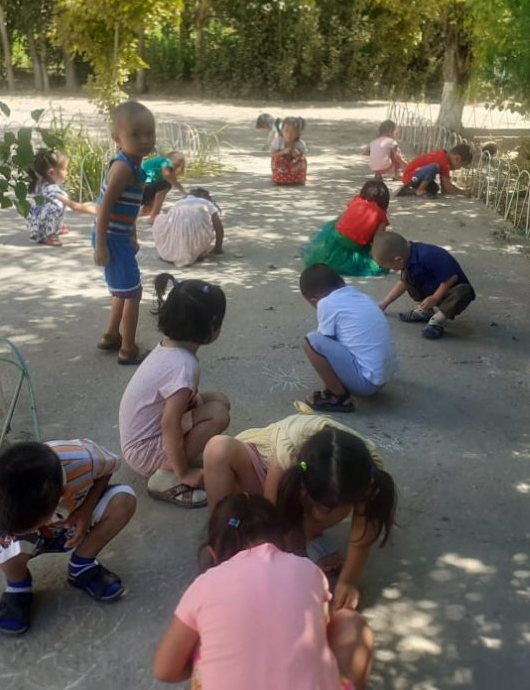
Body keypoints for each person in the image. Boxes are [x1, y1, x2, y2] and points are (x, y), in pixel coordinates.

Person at [153, 493, 375, 690]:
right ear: (285, 541)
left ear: (213, 553)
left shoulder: (204, 584)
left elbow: (164, 670)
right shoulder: (308, 569)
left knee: (201, 640)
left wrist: (208, 664)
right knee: (351, 623)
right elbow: (321, 635)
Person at [0, 440, 136, 646]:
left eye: (26, 528)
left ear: (61, 494)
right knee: (1, 540)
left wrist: (86, 508)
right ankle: (18, 584)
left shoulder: (84, 457)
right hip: (41, 532)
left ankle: (81, 566)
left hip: (72, 519)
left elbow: (109, 467)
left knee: (124, 501)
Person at [203, 412, 397, 612]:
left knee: (323, 512)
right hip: (259, 481)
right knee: (218, 449)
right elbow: (271, 515)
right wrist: (272, 568)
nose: (324, 513)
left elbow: (364, 529)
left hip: (297, 492)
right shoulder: (291, 446)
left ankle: (305, 537)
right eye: (320, 506)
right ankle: (225, 539)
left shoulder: (367, 471)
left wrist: (348, 581)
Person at [118, 274, 231, 509]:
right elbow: (169, 423)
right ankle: (167, 475)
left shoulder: (168, 348)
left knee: (219, 400)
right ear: (212, 328)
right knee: (218, 415)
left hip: (140, 439)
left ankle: (177, 459)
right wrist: (184, 471)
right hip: (144, 451)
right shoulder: (184, 366)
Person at [93, 100, 155, 365]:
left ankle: (111, 335)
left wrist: (133, 235)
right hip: (111, 238)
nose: (144, 140)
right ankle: (128, 350)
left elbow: (127, 209)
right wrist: (101, 245)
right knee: (133, 293)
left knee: (123, 290)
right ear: (117, 138)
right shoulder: (122, 168)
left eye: (149, 133)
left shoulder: (134, 166)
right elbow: (104, 208)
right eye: (135, 135)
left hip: (119, 237)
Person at [299, 264, 397, 413]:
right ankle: (347, 384)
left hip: (367, 384)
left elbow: (324, 340)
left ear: (313, 300)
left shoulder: (325, 303)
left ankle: (337, 397)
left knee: (312, 342)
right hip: (384, 377)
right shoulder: (362, 297)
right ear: (341, 282)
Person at [372, 231, 475, 339]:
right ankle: (425, 312)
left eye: (389, 267)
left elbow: (451, 278)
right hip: (433, 288)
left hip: (450, 292)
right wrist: (385, 303)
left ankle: (436, 321)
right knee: (407, 276)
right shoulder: (408, 256)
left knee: (463, 291)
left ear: (398, 259)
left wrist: (435, 297)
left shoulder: (429, 255)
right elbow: (403, 283)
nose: (390, 269)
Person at [303, 180, 390, 277]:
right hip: (352, 246)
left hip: (335, 237)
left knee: (338, 224)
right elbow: (378, 239)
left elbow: (347, 216)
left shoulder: (356, 200)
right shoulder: (381, 216)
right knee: (377, 265)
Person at [25, 149, 96, 246]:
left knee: (51, 204)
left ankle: (57, 227)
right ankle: (49, 235)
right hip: (42, 232)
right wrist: (96, 210)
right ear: (51, 173)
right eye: (64, 169)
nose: (67, 172)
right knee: (57, 205)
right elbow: (74, 206)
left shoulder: (40, 184)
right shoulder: (55, 191)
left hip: (34, 227)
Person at [151, 188, 224, 268]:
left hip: (177, 232)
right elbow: (218, 227)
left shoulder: (179, 203)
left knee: (162, 219)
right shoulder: (207, 203)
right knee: (204, 223)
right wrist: (218, 248)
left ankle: (173, 252)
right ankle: (194, 251)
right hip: (196, 232)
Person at [397, 143, 473, 196]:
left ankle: (408, 191)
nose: (458, 168)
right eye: (461, 166)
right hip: (411, 177)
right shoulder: (443, 161)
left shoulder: (444, 158)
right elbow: (448, 187)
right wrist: (463, 192)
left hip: (414, 178)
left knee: (434, 189)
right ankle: (419, 190)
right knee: (434, 167)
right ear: (457, 159)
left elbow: (445, 189)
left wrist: (448, 191)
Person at [140, 150, 187, 225]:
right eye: (176, 164)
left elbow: (172, 179)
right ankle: (154, 215)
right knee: (166, 185)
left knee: (161, 185)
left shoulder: (161, 165)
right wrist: (183, 191)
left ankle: (147, 209)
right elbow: (167, 176)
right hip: (140, 188)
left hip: (141, 189)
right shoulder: (165, 161)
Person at [270, 116, 307, 186]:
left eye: (293, 132)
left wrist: (297, 155)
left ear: (297, 133)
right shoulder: (278, 142)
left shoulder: (300, 144)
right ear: (282, 131)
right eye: (286, 131)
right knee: (278, 159)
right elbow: (272, 155)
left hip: (295, 168)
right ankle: (279, 179)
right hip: (281, 168)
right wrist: (282, 152)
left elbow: (303, 158)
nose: (289, 134)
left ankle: (298, 179)